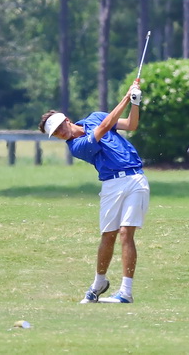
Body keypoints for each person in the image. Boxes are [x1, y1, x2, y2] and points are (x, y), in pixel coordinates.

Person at [38, 83, 149, 304]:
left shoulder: (95, 116)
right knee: (108, 235)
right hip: (111, 185)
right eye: (56, 133)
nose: (61, 133)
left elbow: (131, 124)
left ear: (67, 119)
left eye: (61, 126)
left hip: (135, 178)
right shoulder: (76, 146)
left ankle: (126, 292)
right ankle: (99, 282)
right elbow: (105, 127)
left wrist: (135, 102)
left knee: (127, 233)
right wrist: (126, 98)